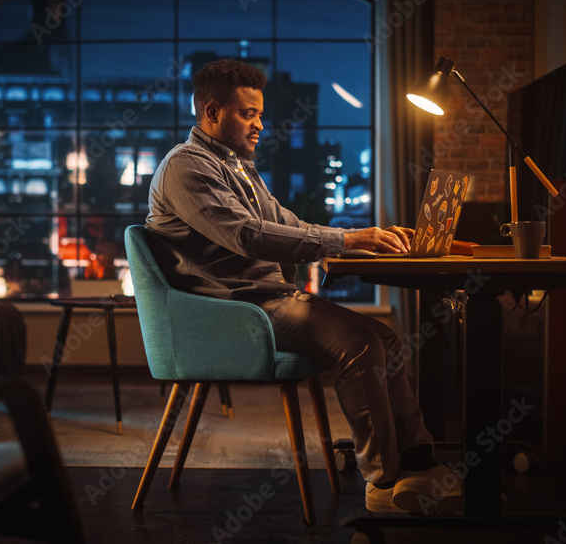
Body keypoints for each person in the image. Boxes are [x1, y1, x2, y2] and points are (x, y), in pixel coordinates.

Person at [145, 58, 461, 515]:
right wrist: (347, 240)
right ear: (212, 113)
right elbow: (247, 236)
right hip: (232, 310)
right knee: (359, 346)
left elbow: (285, 224)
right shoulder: (186, 168)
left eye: (259, 113)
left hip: (266, 299)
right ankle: (383, 482)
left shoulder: (238, 168)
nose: (259, 124)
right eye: (248, 114)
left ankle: (416, 460)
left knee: (387, 341)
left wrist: (362, 241)